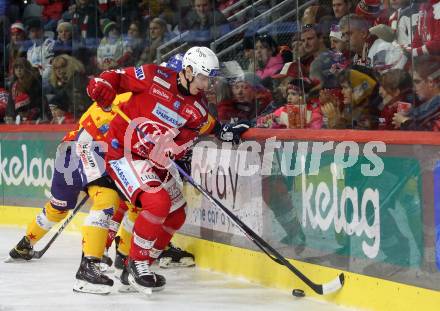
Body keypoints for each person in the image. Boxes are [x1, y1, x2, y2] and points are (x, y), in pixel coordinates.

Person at [86, 46, 249, 294]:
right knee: (157, 202)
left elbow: (207, 126)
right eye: (204, 78)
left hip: (154, 160)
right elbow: (115, 78)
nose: (207, 84)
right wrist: (101, 86)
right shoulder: (154, 76)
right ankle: (137, 261)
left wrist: (223, 133)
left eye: (210, 79)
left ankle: (138, 266)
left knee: (176, 214)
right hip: (124, 153)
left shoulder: (198, 107)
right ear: (189, 70)